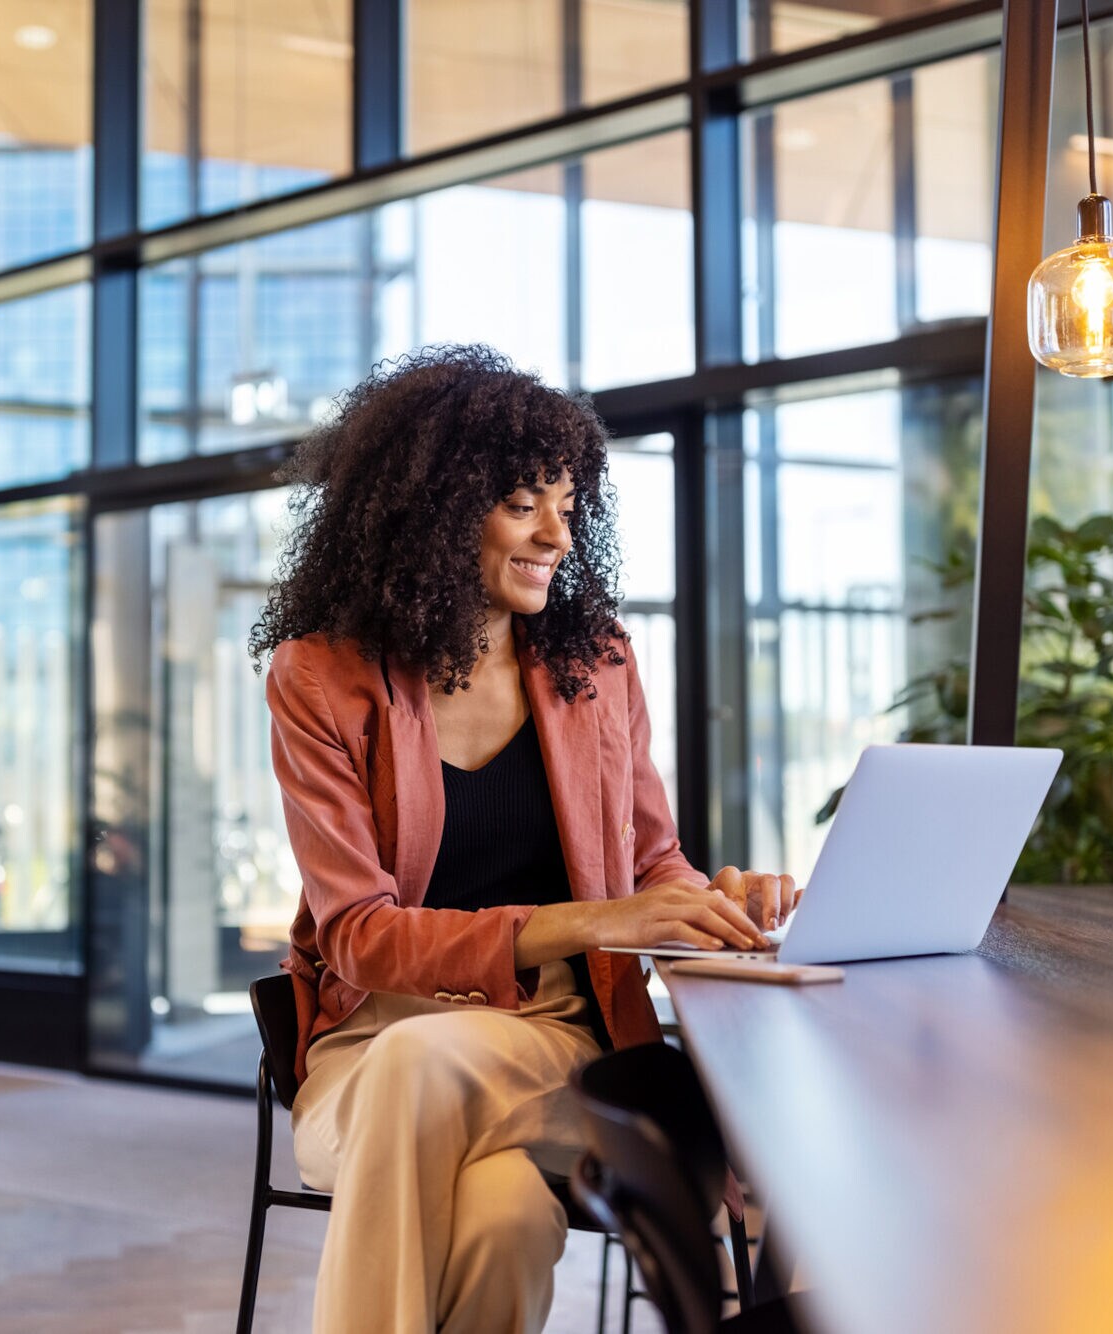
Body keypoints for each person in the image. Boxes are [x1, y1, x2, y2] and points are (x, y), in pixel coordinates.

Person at [249, 345, 799, 1333]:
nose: (557, 532)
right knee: (500, 1211)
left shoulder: (597, 664)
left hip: (558, 1043)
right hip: (371, 1055)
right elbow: (358, 935)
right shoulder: (321, 678)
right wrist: (596, 917)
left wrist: (714, 898)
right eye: (521, 503)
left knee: (431, 1076)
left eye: (567, 503)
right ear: (433, 510)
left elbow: (651, 863)